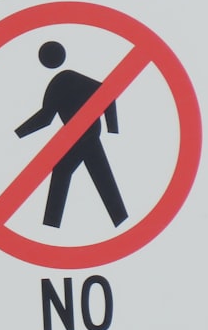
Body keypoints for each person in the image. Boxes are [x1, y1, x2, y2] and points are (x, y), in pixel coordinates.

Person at [15, 40, 128, 228]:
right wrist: (19, 134)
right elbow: (46, 118)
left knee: (67, 171)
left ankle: (51, 225)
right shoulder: (57, 86)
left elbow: (107, 93)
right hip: (77, 135)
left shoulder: (65, 80)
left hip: (87, 133)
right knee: (94, 173)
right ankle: (119, 219)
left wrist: (113, 129)